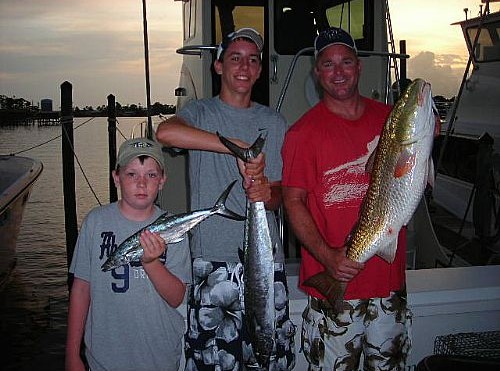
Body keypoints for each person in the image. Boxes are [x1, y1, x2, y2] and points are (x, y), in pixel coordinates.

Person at [156, 28, 296, 370]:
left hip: (265, 263)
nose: (244, 66)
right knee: (213, 360)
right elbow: (165, 132)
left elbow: (280, 195)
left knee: (268, 357)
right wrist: (233, 145)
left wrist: (266, 192)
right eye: (235, 58)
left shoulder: (273, 122)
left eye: (252, 60)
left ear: (260, 71)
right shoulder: (200, 114)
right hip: (212, 262)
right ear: (218, 66)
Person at [281, 27, 411, 370]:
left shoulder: (391, 122)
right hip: (332, 287)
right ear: (317, 72)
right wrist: (327, 257)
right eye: (328, 64)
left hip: (387, 283)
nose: (338, 72)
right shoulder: (302, 133)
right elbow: (293, 202)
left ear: (359, 66)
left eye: (346, 61)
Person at [65, 137, 192, 371]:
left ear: (162, 180)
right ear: (116, 178)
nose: (141, 183)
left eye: (151, 175)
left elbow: (176, 298)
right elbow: (81, 289)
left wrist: (152, 262)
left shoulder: (177, 231)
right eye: (131, 174)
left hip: (159, 359)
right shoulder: (95, 222)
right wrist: (72, 355)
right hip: (103, 359)